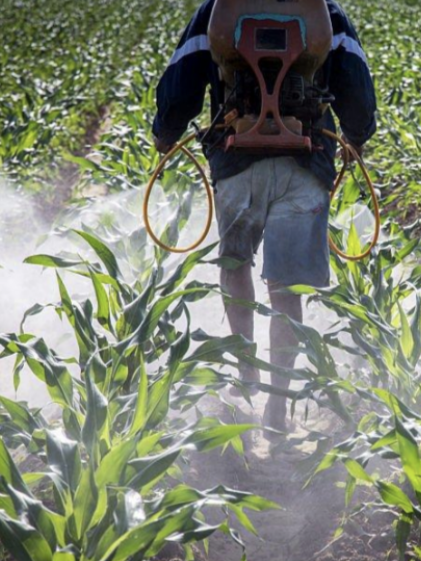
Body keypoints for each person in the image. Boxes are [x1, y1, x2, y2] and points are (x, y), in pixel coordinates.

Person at [152, 0, 376, 436]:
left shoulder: (216, 10)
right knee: (286, 288)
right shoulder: (327, 12)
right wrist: (358, 136)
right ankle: (279, 401)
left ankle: (246, 370)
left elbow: (180, 86)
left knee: (236, 266)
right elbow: (358, 91)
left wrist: (165, 135)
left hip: (238, 166)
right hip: (304, 167)